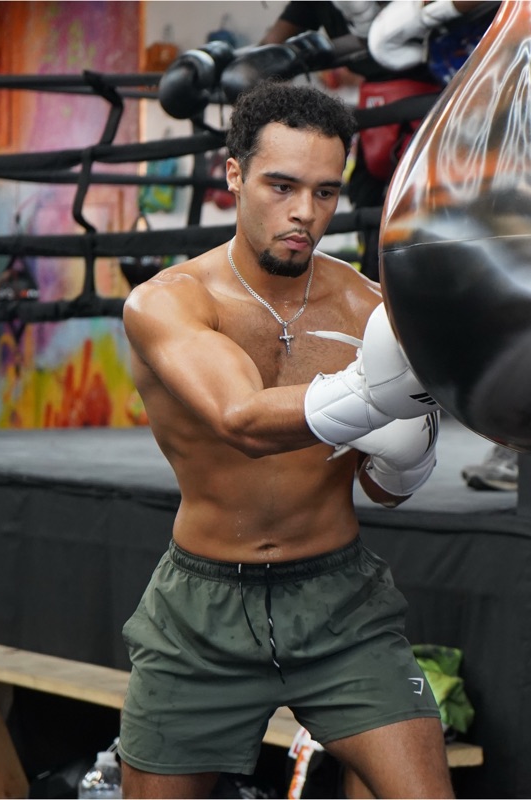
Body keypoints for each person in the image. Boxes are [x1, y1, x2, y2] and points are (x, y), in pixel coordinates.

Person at [118, 80, 451, 799]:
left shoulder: (369, 306)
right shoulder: (169, 302)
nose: (305, 212)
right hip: (200, 610)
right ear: (233, 176)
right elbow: (240, 418)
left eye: (326, 193)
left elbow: (382, 488)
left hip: (340, 604)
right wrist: (374, 392)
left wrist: (411, 450)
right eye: (282, 185)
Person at [259, 1, 443, 283]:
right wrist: (221, 65)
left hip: (438, 112)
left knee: (433, 218)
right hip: (375, 123)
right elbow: (269, 47)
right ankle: (379, 302)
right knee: (371, 221)